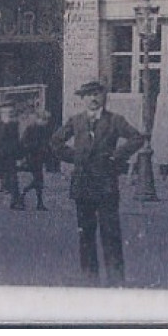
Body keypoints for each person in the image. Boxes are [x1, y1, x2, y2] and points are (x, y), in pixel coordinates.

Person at [50, 80, 145, 286]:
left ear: (104, 97)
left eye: (97, 94)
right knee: (85, 234)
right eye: (88, 95)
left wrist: (116, 156)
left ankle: (116, 281)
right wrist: (74, 157)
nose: (93, 99)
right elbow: (55, 142)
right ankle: (89, 280)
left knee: (110, 233)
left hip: (105, 185)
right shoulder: (76, 121)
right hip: (83, 184)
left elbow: (137, 138)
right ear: (82, 99)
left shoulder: (114, 120)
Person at [19, 105, 54, 211]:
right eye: (45, 119)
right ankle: (23, 195)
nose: (46, 122)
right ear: (39, 119)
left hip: (39, 158)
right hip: (31, 158)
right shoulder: (31, 129)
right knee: (38, 180)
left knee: (38, 181)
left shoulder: (43, 129)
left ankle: (37, 202)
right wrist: (35, 147)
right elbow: (23, 143)